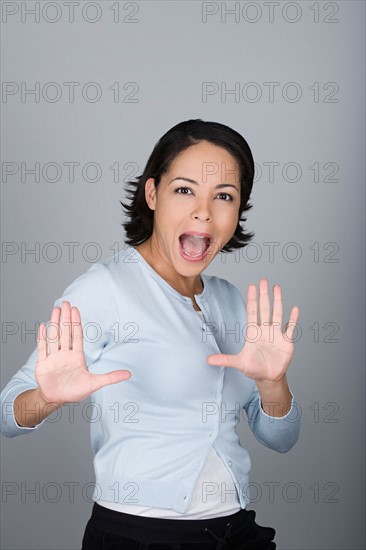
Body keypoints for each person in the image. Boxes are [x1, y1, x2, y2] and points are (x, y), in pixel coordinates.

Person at [0, 119, 301, 549]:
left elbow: (282, 439)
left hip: (235, 533)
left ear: (238, 211)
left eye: (224, 197)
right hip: (139, 537)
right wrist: (48, 397)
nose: (203, 211)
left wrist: (274, 383)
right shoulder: (106, 288)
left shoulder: (233, 301)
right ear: (152, 194)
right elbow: (7, 414)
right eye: (185, 190)